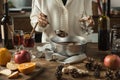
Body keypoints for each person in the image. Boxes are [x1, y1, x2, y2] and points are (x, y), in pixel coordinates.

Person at [30, 0, 94, 43]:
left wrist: (87, 23)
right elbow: (34, 19)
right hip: (50, 47)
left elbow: (87, 17)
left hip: (78, 46)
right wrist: (40, 24)